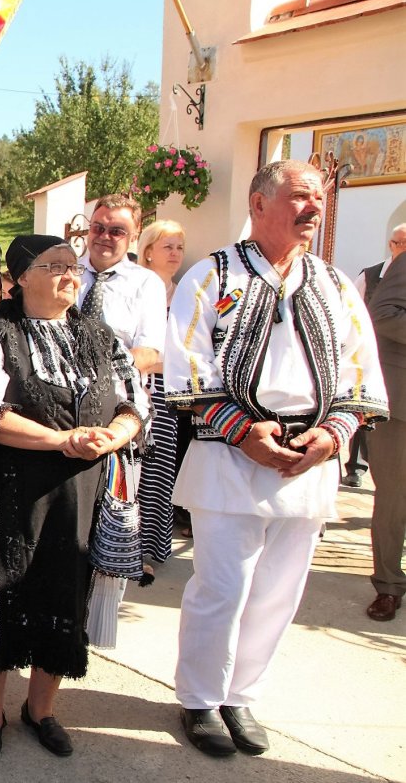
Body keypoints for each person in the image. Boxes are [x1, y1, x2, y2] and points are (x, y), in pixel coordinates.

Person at [166, 160, 387, 757]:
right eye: (298, 196)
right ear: (259, 203)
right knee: (224, 585)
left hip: (309, 459)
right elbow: (187, 369)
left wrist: (335, 433)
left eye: (318, 198)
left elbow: (359, 370)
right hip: (231, 456)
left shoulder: (336, 283)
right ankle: (200, 698)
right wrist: (244, 433)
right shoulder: (211, 276)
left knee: (280, 590)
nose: (312, 208)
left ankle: (242, 696)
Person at [0, 234, 147, 762]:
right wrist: (62, 440)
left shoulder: (98, 334)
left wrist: (115, 434)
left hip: (83, 487)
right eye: (54, 266)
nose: (68, 274)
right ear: (20, 278)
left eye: (72, 266)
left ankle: (42, 708)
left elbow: (134, 399)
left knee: (66, 593)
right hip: (10, 485)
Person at [134, 220, 186, 566]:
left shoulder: (185, 295)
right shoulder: (136, 287)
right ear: (148, 251)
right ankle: (122, 546)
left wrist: (162, 361)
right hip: (136, 390)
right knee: (132, 472)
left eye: (180, 247)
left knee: (159, 471)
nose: (176, 253)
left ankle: (148, 550)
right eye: (168, 246)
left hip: (167, 397)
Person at [364, 222, 406, 621]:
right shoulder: (404, 262)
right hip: (401, 407)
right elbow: (382, 313)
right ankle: (389, 586)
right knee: (394, 498)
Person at [77, 194, 167, 376]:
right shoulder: (65, 274)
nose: (104, 236)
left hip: (119, 391)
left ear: (134, 236)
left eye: (116, 231)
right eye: (98, 228)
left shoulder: (147, 284)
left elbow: (148, 352)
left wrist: (100, 377)